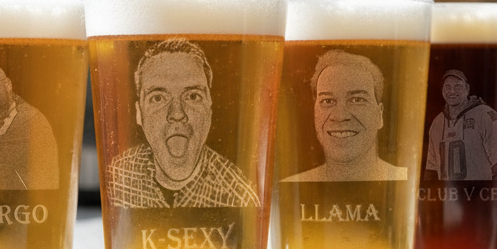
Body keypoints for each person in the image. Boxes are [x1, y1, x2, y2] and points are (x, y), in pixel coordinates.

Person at [107, 38, 261, 208]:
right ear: (139, 113)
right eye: (158, 98)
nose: (177, 114)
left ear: (209, 109)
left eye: (193, 96)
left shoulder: (240, 194)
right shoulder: (117, 174)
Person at [282, 50, 406, 182]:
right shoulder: (289, 187)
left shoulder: (408, 185)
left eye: (357, 100)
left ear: (379, 114)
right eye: (327, 101)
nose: (340, 116)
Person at [425, 69, 497, 181]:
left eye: (457, 87)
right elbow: (431, 169)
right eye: (447, 87)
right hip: (447, 196)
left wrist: (495, 195)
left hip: (478, 195)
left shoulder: (485, 115)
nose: (452, 91)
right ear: (442, 90)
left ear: (467, 89)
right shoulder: (437, 122)